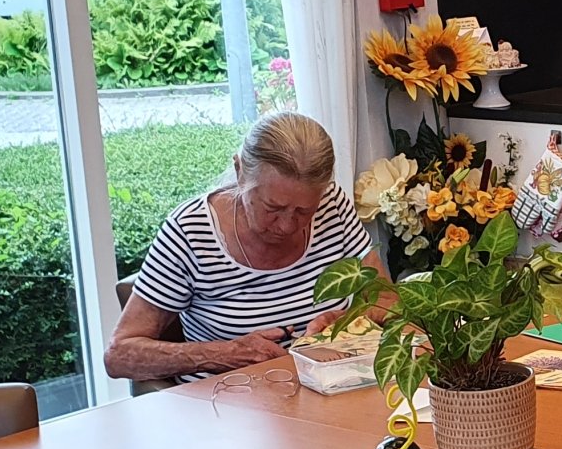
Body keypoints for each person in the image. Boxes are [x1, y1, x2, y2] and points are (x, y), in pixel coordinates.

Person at [105, 112, 376, 382]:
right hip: (229, 404)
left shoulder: (332, 204)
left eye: (304, 212)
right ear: (240, 172)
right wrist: (225, 354)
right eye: (273, 208)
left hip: (328, 393)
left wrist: (346, 321)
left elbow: (387, 300)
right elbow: (119, 355)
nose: (286, 226)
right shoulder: (190, 231)